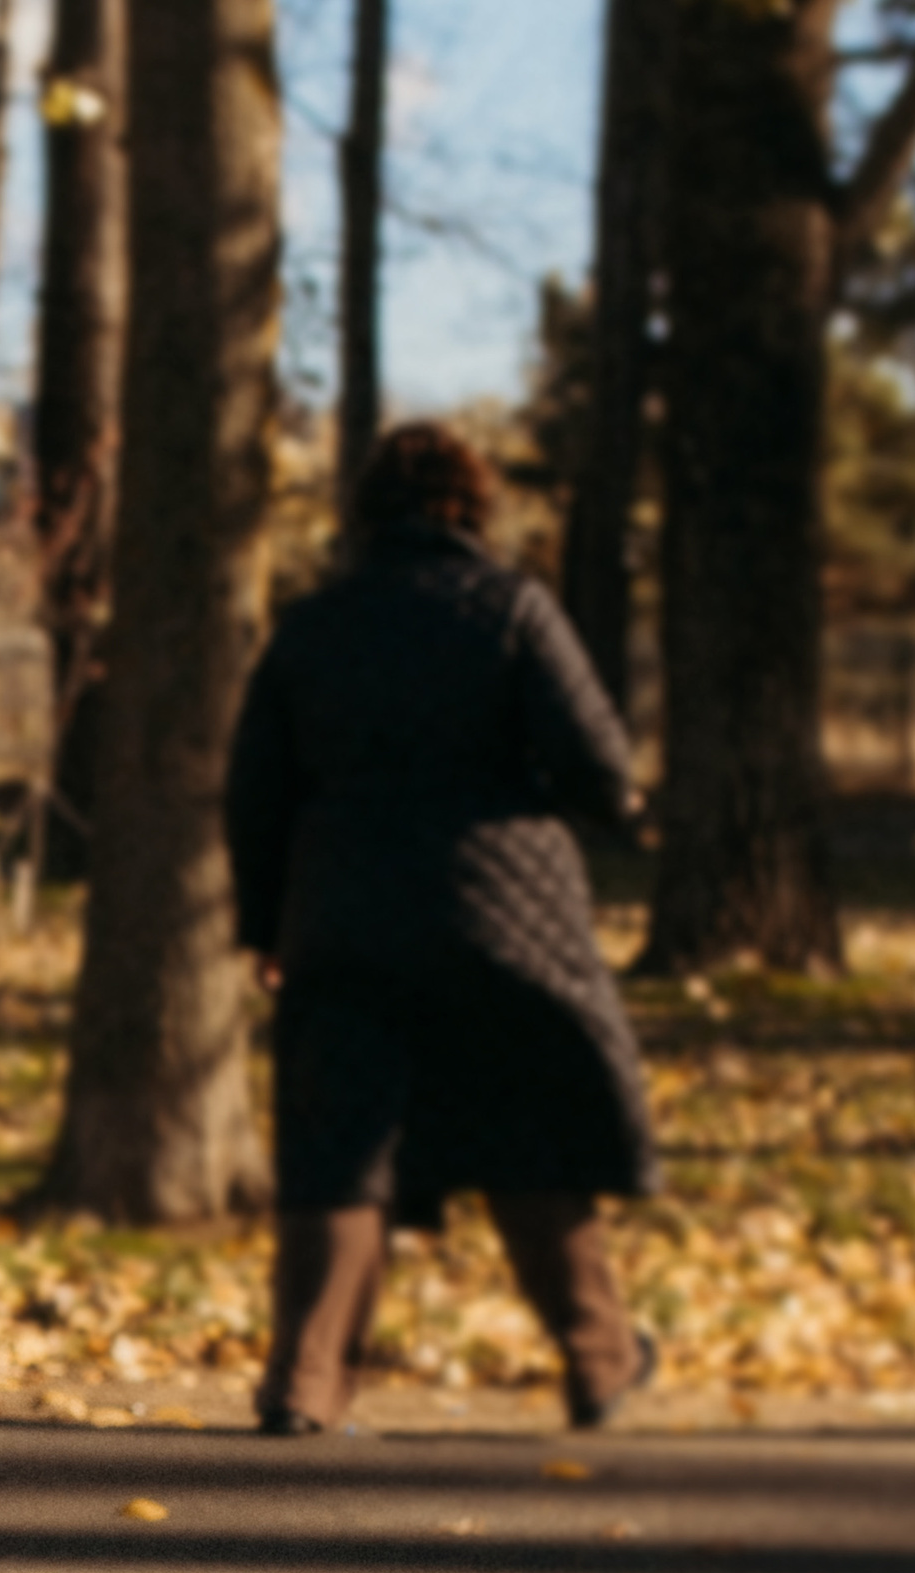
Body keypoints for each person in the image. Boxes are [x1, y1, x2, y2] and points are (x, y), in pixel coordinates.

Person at [224, 420, 661, 1438]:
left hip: (343, 916)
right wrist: (617, 812)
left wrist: (266, 924)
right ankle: (600, 1361)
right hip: (498, 921)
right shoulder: (512, 609)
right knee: (530, 1142)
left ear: (368, 513)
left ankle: (304, 1382)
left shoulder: (311, 625)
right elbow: (597, 761)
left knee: (339, 1152)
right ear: (472, 507)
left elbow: (254, 794)